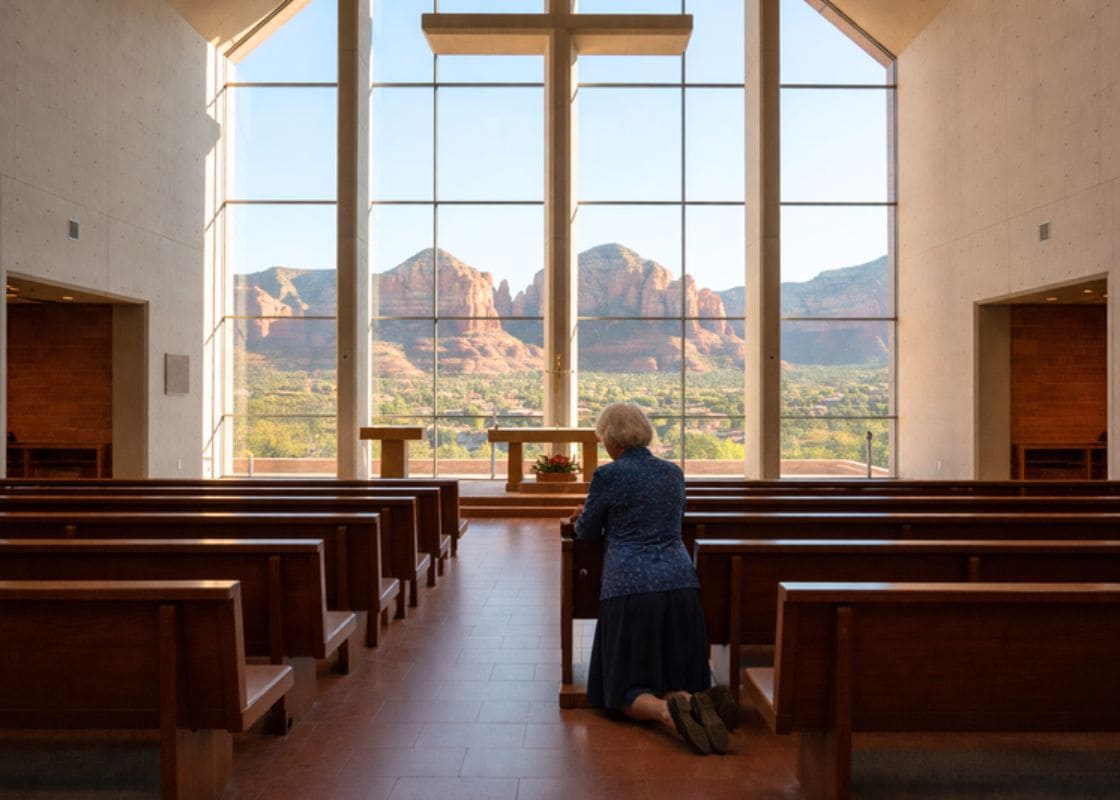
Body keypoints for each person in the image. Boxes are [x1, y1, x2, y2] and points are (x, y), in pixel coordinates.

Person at [571, 402, 733, 754]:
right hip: (681, 583)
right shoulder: (673, 473)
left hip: (631, 587)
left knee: (623, 691)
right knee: (676, 676)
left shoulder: (608, 475)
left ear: (612, 440)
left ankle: (665, 713)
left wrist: (580, 516)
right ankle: (691, 699)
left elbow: (587, 533)